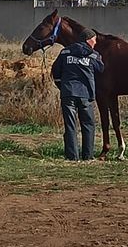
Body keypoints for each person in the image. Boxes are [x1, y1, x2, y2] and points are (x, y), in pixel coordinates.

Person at [51, 28, 104, 161]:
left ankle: (72, 157)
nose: (95, 43)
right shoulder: (93, 55)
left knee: (70, 125)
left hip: (68, 93)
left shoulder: (65, 52)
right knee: (88, 125)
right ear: (88, 40)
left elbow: (55, 71)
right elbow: (101, 69)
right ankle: (88, 156)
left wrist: (61, 86)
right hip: (85, 94)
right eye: (94, 40)